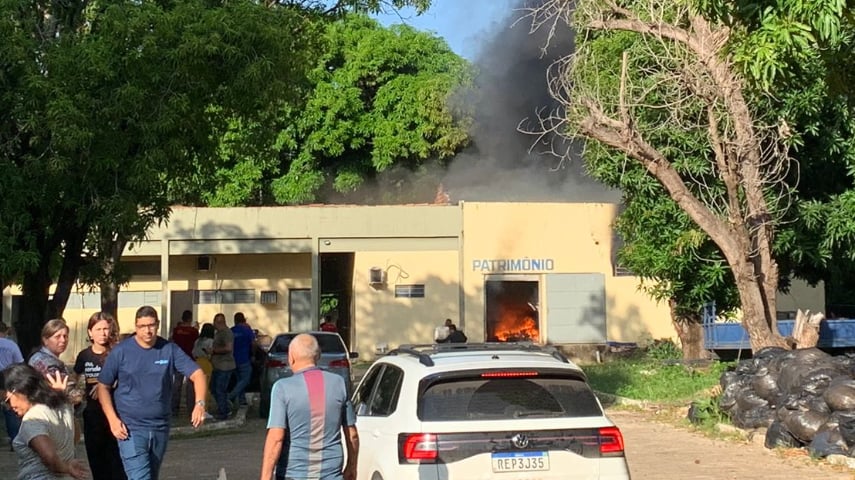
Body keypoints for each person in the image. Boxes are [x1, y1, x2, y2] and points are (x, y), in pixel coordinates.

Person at [97, 305, 207, 480]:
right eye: (142, 326)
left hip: (160, 427)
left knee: (150, 476)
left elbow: (198, 374)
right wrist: (112, 419)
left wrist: (200, 404)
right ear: (135, 326)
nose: (147, 331)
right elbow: (103, 386)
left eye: (151, 325)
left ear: (158, 324)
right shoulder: (121, 351)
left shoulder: (169, 349)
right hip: (130, 428)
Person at [260, 333, 359, 480]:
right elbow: (352, 435)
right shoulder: (338, 384)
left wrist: (265, 476)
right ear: (317, 356)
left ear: (291, 357)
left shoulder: (282, 388)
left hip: (293, 474)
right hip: (331, 474)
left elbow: (276, 438)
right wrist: (352, 466)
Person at [4, 363, 89, 480]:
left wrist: (66, 467)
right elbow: (75, 436)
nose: (8, 407)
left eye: (7, 400)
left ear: (20, 389)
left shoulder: (33, 418)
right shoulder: (63, 404)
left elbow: (49, 457)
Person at [73, 311, 127, 480]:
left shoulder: (117, 352)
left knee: (117, 462)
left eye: (106, 329)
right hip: (93, 414)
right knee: (97, 461)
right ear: (90, 332)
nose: (103, 333)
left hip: (116, 412)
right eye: (98, 329)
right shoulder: (85, 355)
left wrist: (106, 385)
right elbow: (74, 379)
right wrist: (74, 393)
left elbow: (128, 377)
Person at [28, 319, 83, 406]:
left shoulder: (44, 358)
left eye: (65, 336)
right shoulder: (45, 362)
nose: (63, 340)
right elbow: (72, 395)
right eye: (57, 337)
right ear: (45, 340)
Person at [169, 310, 198, 416]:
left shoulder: (177, 330)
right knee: (190, 386)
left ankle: (174, 409)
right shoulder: (193, 331)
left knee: (177, 384)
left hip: (177, 359)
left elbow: (172, 341)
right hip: (190, 359)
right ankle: (190, 408)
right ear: (190, 318)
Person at [1, 321, 24, 450]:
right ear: (5, 332)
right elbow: (20, 363)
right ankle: (15, 440)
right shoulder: (11, 345)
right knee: (10, 410)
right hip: (7, 378)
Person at [210, 313, 235, 420]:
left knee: (220, 389)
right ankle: (225, 406)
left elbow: (228, 348)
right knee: (213, 388)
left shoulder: (227, 333)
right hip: (218, 365)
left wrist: (214, 351)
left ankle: (223, 412)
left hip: (225, 366)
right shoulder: (218, 333)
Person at [228, 312, 255, 410]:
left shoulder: (231, 331)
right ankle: (230, 397)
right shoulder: (247, 330)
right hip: (244, 359)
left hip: (233, 359)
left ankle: (242, 400)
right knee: (245, 380)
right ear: (243, 319)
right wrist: (253, 355)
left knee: (240, 380)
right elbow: (253, 344)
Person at [191, 323, 216, 415]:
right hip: (205, 362)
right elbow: (211, 352)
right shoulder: (210, 341)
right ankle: (204, 409)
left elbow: (193, 352)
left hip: (196, 362)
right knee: (205, 387)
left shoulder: (197, 341)